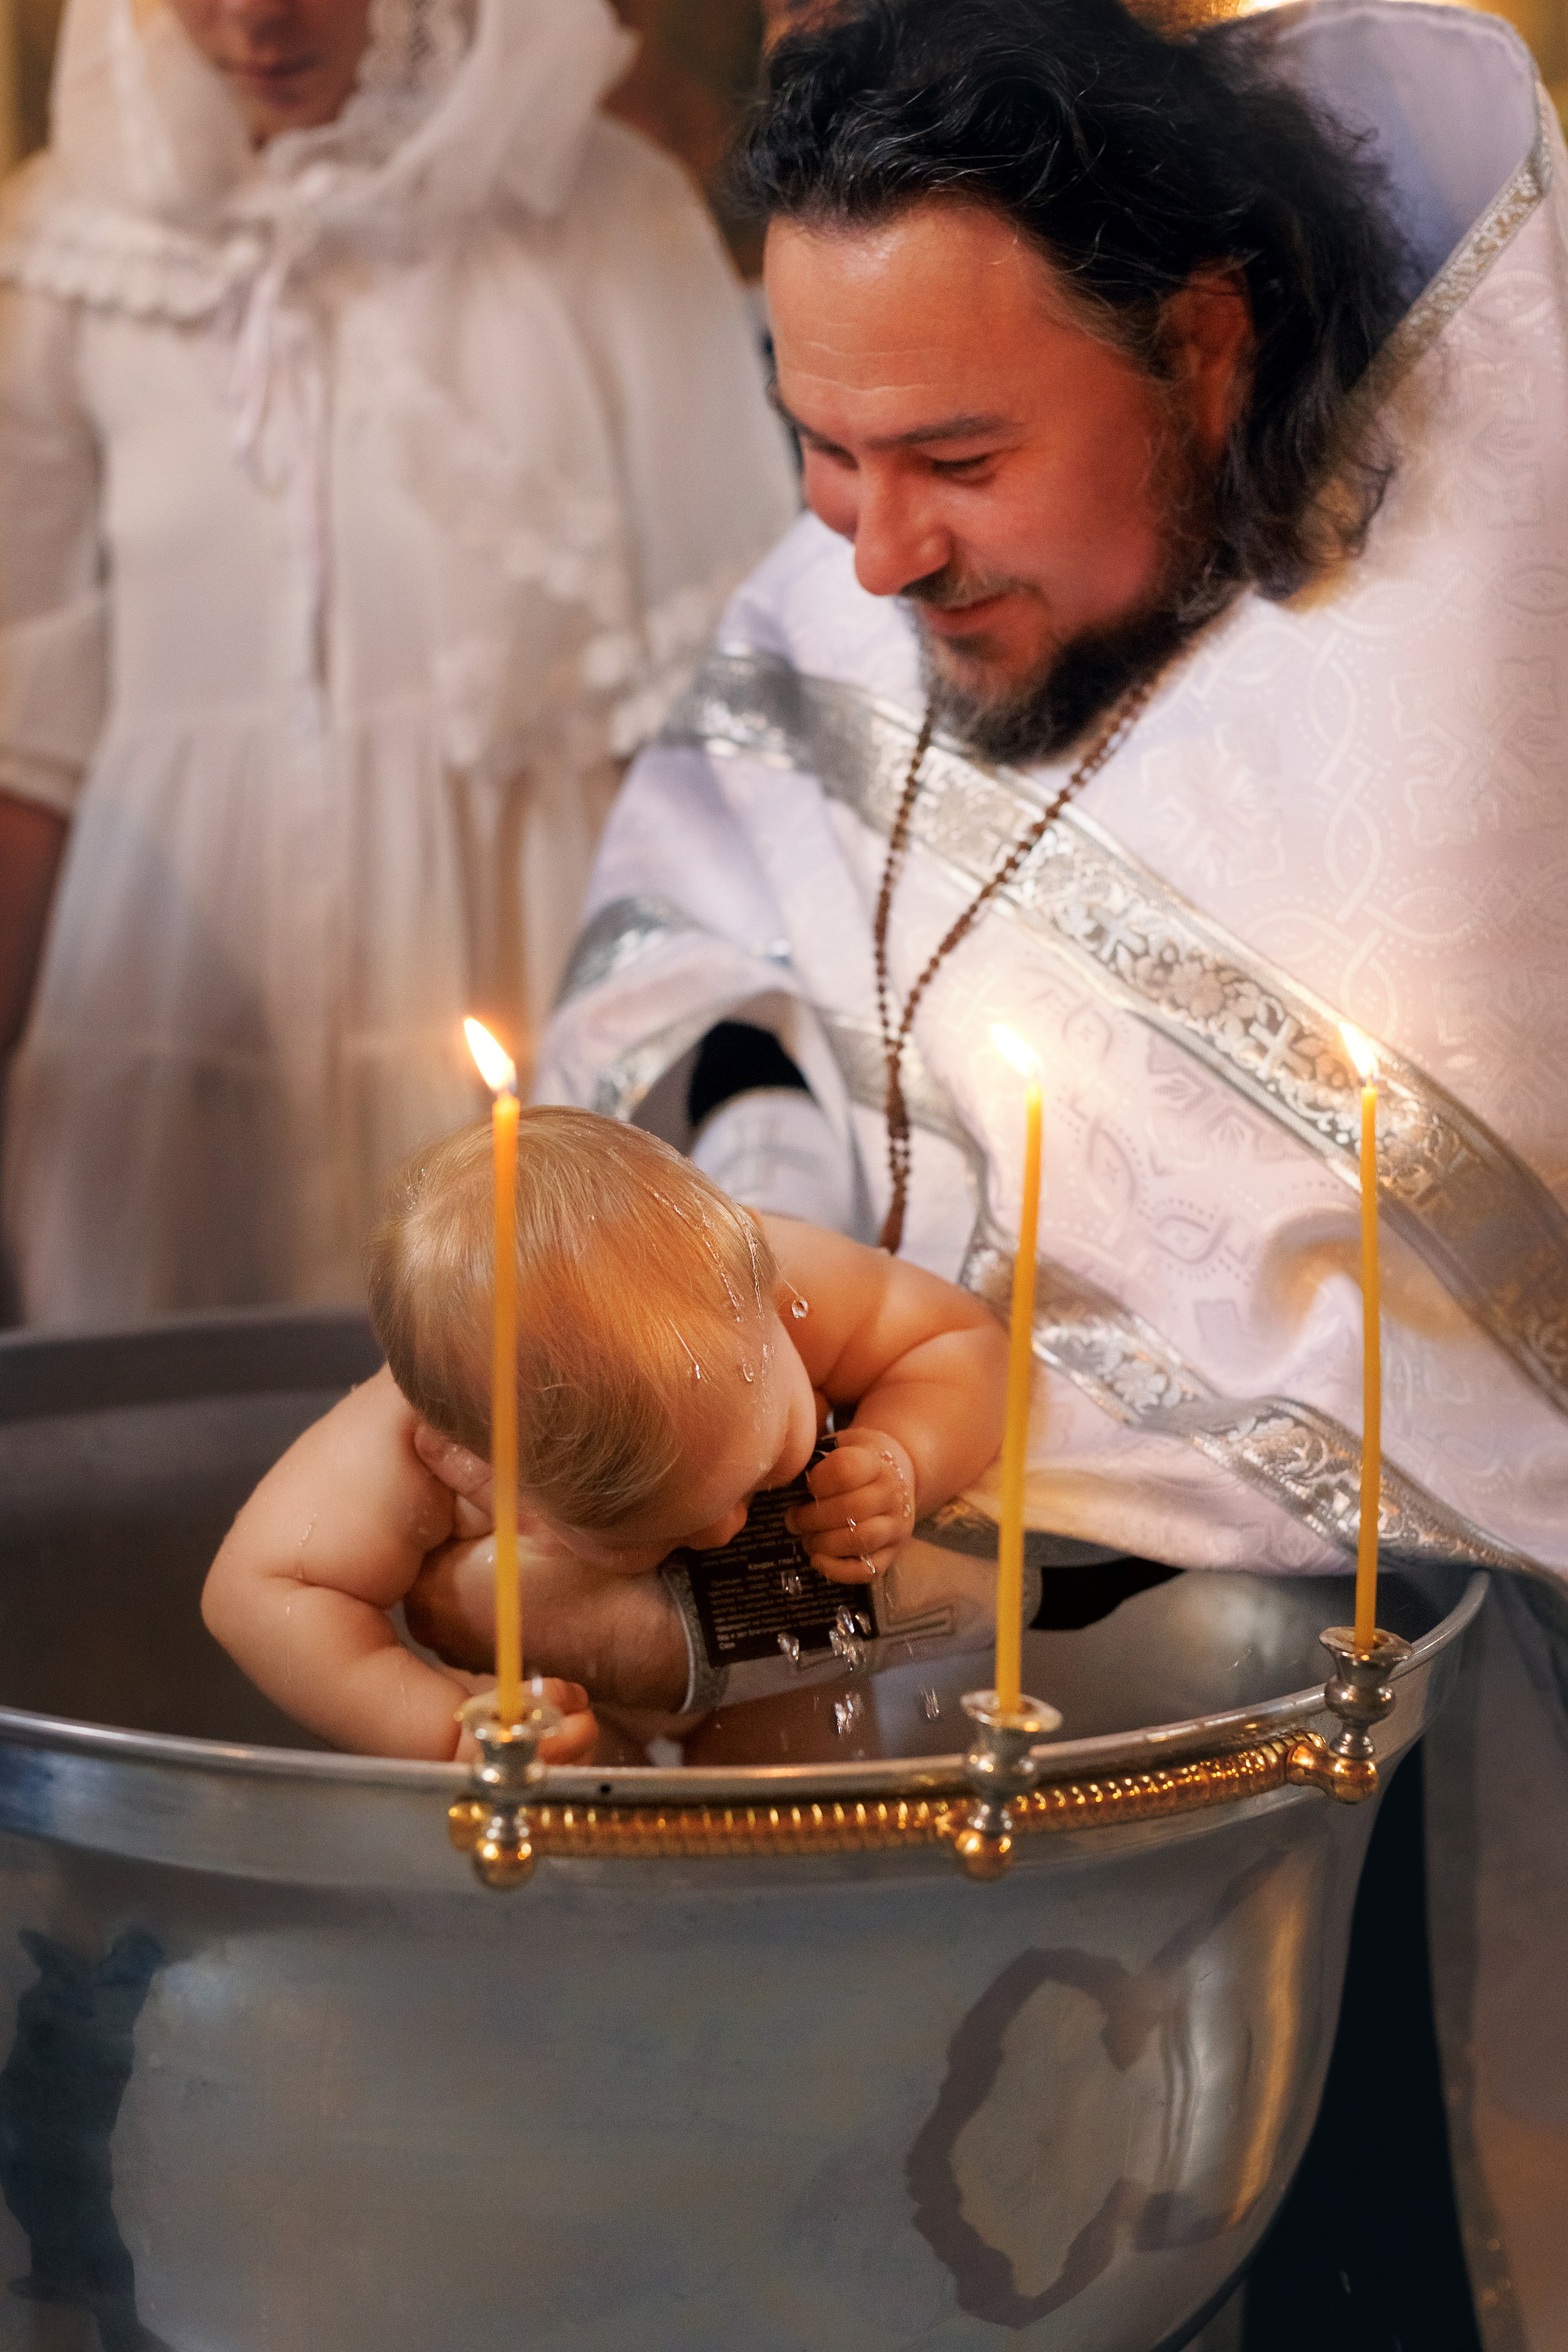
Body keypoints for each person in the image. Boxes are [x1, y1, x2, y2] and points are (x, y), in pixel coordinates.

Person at [407, 0, 1568, 2335]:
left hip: (1389, 1733)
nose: (867, 556)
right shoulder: (851, 590)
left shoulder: (1490, 648)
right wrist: (713, 1227)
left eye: (950, 454)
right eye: (817, 448)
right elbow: (688, 964)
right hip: (869, 1639)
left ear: (1210, 354)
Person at [0, 0, 797, 1325]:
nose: (253, 19)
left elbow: (718, 721)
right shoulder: (64, 248)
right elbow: (28, 726)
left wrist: (754, 1113)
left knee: (524, 1419)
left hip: (512, 952)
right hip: (174, 983)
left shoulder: (603, 215)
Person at [202, 1105, 1008, 1755]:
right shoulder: (405, 1440)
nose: (726, 1529)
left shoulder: (771, 1275)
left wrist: (906, 1454)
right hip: (581, 1697)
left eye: (769, 1461)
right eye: (646, 1531)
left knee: (809, 1817)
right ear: (470, 1464)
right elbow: (259, 1594)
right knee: (579, 1841)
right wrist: (443, 1730)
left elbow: (960, 1340)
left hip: (781, 1653)